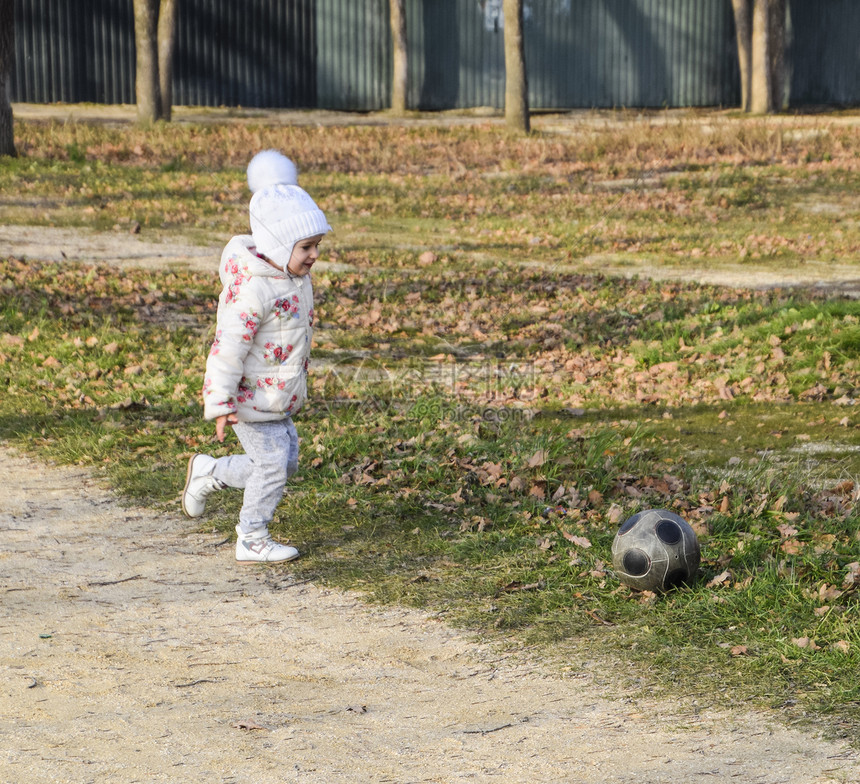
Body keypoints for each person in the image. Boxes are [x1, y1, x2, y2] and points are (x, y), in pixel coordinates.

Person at [181, 150, 331, 563]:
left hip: (277, 395)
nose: (315, 255)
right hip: (249, 397)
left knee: (286, 464)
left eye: (317, 246)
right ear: (280, 245)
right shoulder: (253, 290)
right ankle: (251, 536)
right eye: (307, 247)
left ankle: (210, 472)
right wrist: (220, 402)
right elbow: (227, 348)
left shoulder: (291, 274)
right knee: (271, 467)